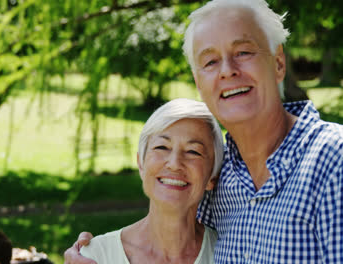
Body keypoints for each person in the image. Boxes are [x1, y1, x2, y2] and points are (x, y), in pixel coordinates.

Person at [64, 0, 343, 263]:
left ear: (278, 63)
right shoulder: (218, 179)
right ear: (199, 82)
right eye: (210, 61)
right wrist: (101, 252)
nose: (227, 71)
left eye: (243, 52)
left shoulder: (333, 161)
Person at [77, 98, 224, 263]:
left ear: (213, 176)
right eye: (162, 147)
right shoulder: (96, 256)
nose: (175, 164)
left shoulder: (228, 254)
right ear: (141, 164)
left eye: (193, 152)